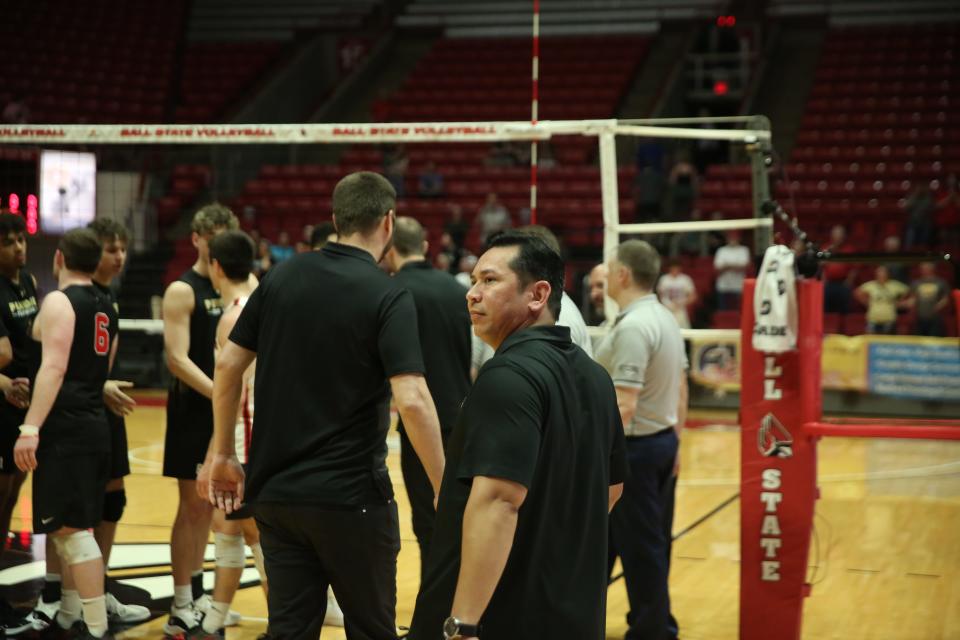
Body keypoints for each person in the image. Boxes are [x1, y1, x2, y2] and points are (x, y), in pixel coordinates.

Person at [207, 172, 445, 639]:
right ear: (389, 223)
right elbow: (413, 399)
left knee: (290, 629)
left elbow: (227, 366)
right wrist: (443, 485)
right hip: (349, 498)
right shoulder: (387, 292)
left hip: (276, 495)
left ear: (335, 219)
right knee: (372, 629)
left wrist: (221, 453)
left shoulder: (281, 277)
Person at [408, 231, 625, 639]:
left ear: (538, 294)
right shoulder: (595, 377)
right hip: (571, 612)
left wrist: (463, 624)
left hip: (501, 617)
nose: (472, 293)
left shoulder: (506, 376)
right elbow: (611, 490)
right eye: (473, 281)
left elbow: (498, 502)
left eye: (489, 281)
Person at [14, 228, 119, 639]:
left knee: (71, 534)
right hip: (93, 423)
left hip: (66, 428)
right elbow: (104, 364)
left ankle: (96, 628)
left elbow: (53, 368)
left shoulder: (59, 300)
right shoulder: (106, 302)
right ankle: (70, 615)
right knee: (72, 528)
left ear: (59, 258)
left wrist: (30, 427)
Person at [595, 239, 688, 640]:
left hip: (634, 449)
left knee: (642, 547)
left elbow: (624, 404)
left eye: (609, 268)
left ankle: (654, 630)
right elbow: (682, 387)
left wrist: (590, 449)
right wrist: (677, 439)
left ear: (623, 274)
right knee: (620, 542)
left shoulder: (634, 326)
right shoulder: (664, 317)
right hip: (660, 441)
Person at [161, 203, 239, 635]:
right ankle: (181, 600)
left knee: (219, 507)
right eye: (212, 241)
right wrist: (221, 396)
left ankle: (203, 593)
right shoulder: (182, 289)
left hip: (222, 410)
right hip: (195, 409)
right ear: (196, 239)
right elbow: (176, 359)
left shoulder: (236, 287)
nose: (218, 251)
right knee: (192, 506)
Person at [383, 216, 472, 577]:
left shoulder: (392, 291)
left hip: (422, 421)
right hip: (463, 417)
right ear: (423, 246)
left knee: (428, 522)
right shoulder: (455, 288)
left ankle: (436, 609)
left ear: (389, 248)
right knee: (462, 520)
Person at [194, 230, 266, 638]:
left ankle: (219, 623)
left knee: (242, 533)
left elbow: (229, 395)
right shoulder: (261, 303)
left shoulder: (234, 317)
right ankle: (216, 620)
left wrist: (215, 455)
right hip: (258, 437)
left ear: (215, 267)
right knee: (239, 530)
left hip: (243, 443)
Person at [87, 219, 149, 625]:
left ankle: (100, 585)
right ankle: (74, 594)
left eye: (123, 249)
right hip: (82, 411)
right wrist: (99, 385)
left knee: (114, 499)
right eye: (112, 249)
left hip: (104, 406)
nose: (120, 256)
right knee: (82, 507)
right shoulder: (76, 296)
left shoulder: (109, 294)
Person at [0, 212, 38, 635]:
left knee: (11, 496)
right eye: (9, 242)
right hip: (2, 406)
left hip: (20, 408)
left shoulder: (26, 282)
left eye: (21, 240)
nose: (19, 248)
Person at [855, 265, 910, 335]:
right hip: (873, 319)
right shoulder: (871, 285)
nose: (881, 275)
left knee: (887, 342)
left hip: (889, 319)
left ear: (888, 274)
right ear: (876, 274)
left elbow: (908, 291)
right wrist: (865, 302)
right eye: (879, 273)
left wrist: (900, 302)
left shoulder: (894, 285)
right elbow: (857, 292)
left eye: (883, 273)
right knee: (871, 341)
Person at [909, 262, 950, 337]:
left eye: (926, 268)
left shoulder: (940, 282)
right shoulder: (916, 283)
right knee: (919, 340)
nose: (923, 270)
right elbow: (913, 299)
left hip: (935, 318)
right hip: (920, 317)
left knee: (934, 339)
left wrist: (938, 306)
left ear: (932, 269)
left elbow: (946, 299)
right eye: (922, 269)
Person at [822, 225, 857, 314]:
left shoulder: (850, 249)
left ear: (844, 236)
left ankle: (844, 324)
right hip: (828, 283)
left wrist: (848, 282)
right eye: (836, 234)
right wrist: (824, 281)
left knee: (844, 305)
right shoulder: (826, 248)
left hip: (843, 283)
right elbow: (821, 267)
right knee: (825, 305)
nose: (838, 237)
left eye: (840, 234)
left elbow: (854, 269)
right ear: (832, 236)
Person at [713, 230, 750, 311]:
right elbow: (718, 268)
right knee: (723, 312)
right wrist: (735, 265)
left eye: (734, 237)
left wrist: (727, 266)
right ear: (727, 239)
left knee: (738, 311)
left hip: (738, 286)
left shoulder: (744, 250)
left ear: (738, 238)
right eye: (730, 237)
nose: (732, 239)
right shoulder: (721, 250)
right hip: (723, 286)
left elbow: (745, 266)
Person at [657, 259, 698, 329]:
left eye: (676, 268)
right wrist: (664, 304)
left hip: (680, 310)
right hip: (666, 309)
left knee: (682, 331)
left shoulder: (685, 279)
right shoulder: (664, 279)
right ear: (669, 269)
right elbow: (659, 295)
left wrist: (682, 303)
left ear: (680, 268)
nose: (675, 270)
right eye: (673, 268)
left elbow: (693, 296)